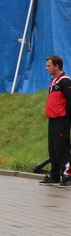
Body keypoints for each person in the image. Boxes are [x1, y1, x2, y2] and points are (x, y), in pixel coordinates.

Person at [41, 54, 71, 187]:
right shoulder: (53, 81)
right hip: (52, 120)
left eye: (49, 66)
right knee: (53, 149)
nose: (46, 68)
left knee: (62, 149)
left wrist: (66, 117)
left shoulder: (65, 81)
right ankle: (54, 175)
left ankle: (67, 176)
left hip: (61, 121)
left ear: (57, 66)